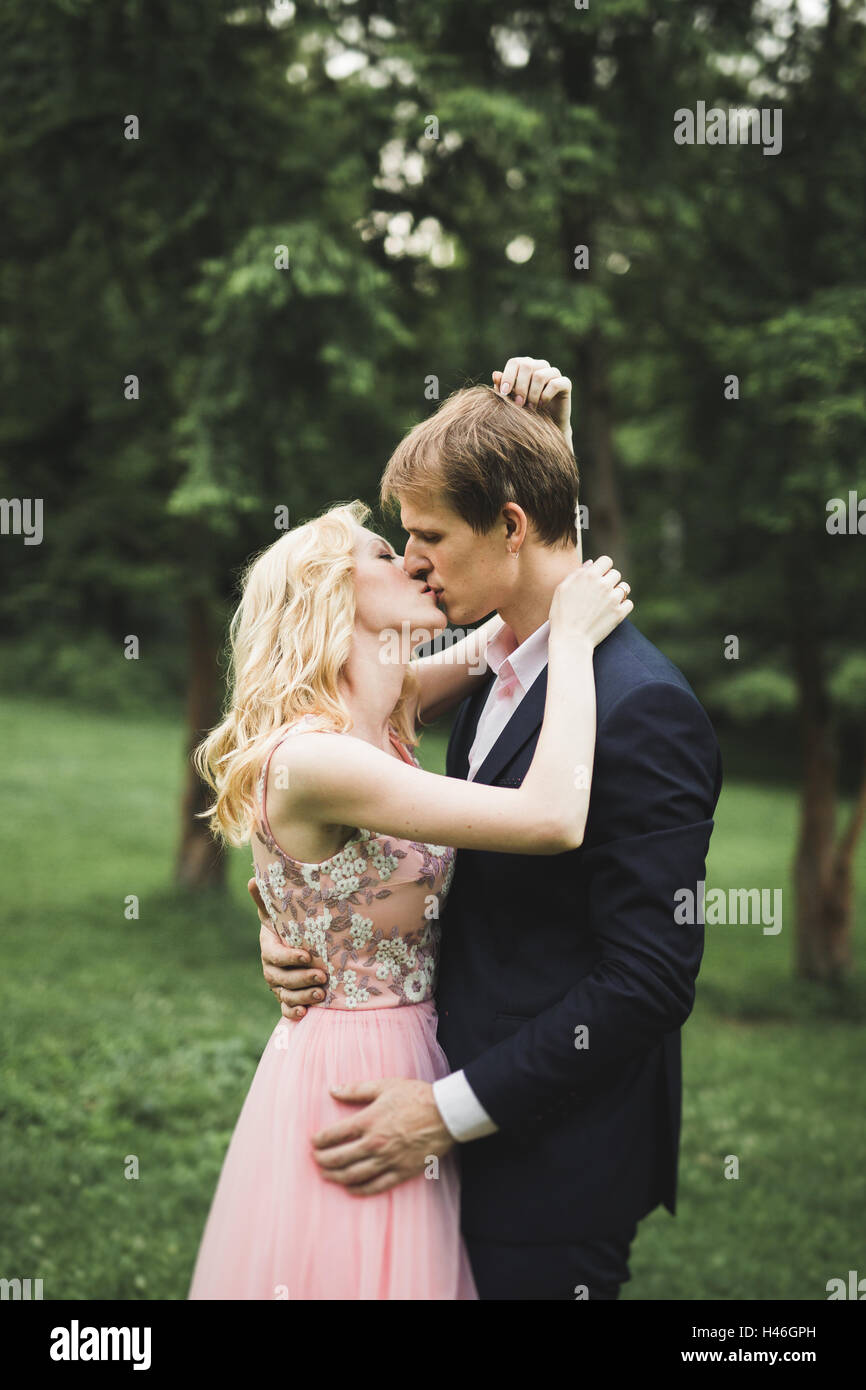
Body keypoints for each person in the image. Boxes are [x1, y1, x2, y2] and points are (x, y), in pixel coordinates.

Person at [256, 356, 723, 1301]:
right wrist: (303, 929)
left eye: (426, 535)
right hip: (430, 1115)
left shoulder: (642, 708)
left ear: (506, 528)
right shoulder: (495, 664)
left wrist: (446, 1113)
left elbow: (646, 980)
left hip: (552, 1163)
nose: (415, 558)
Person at [187, 481, 633, 1300]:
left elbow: (528, 577)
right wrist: (571, 648)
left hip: (421, 1046)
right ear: (332, 598)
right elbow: (550, 816)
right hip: (359, 1067)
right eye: (387, 555)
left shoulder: (386, 713)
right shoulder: (320, 759)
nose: (419, 564)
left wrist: (548, 449)